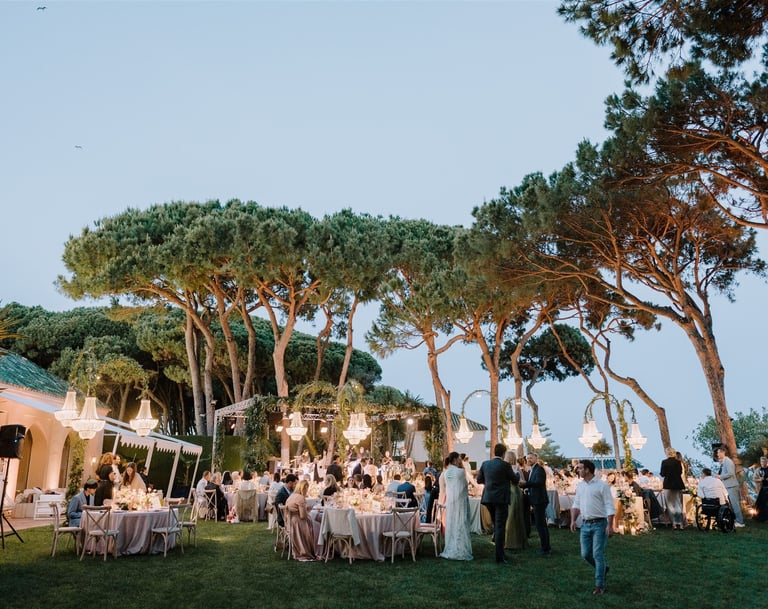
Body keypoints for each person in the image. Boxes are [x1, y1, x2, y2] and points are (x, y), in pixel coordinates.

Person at [570, 459, 615, 596]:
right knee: (585, 554)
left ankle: (599, 585)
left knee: (597, 554)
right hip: (585, 524)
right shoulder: (580, 486)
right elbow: (576, 504)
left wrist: (610, 525)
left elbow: (609, 506)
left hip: (599, 524)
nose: (578, 470)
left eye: (580, 468)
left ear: (588, 469)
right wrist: (573, 520)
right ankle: (602, 569)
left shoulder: (602, 486)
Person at [477, 442, 519, 564]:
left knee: (497, 525)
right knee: (500, 526)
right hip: (501, 499)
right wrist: (516, 472)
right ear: (503, 453)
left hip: (488, 498)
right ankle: (499, 556)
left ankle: (499, 550)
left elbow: (479, 480)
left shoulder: (485, 464)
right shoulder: (505, 465)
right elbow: (515, 480)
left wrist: (490, 481)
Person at [439, 451, 473, 560]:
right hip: (460, 502)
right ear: (455, 460)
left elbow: (444, 490)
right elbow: (464, 487)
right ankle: (461, 548)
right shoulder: (461, 472)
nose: (460, 460)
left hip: (450, 503)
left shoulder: (445, 473)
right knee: (461, 524)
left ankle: (451, 547)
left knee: (451, 525)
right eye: (458, 458)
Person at [521, 452, 551, 555]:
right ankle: (545, 547)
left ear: (536, 459)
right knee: (540, 524)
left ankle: (545, 548)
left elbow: (538, 483)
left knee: (541, 524)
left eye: (531, 458)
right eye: (528, 458)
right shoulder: (532, 469)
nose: (529, 460)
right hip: (536, 499)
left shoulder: (539, 469)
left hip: (540, 500)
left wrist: (525, 484)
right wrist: (527, 489)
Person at [284, 479, 318, 561]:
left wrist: (306, 509)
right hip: (297, 523)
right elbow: (302, 516)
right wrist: (308, 512)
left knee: (315, 523)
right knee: (318, 526)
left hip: (289, 522)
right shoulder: (301, 498)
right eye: (306, 488)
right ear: (304, 488)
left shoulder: (291, 496)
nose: (307, 491)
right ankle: (317, 550)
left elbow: (296, 510)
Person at [503, 450, 527, 551]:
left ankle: (510, 541)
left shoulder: (512, 467)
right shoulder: (512, 467)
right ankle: (514, 540)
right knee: (513, 515)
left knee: (511, 515)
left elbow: (522, 481)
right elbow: (522, 482)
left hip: (511, 492)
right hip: (514, 491)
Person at [716, 447, 745, 527]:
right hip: (727, 486)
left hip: (732, 486)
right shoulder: (723, 462)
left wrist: (720, 477)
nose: (717, 454)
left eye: (718, 452)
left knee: (735, 504)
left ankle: (740, 522)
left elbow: (731, 473)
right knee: (731, 504)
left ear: (723, 452)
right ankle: (735, 519)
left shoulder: (728, 461)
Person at [660, 446, 686, 529]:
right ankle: (680, 523)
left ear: (667, 453)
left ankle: (674, 523)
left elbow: (662, 473)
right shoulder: (678, 462)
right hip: (677, 483)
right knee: (678, 503)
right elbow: (680, 472)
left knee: (670, 504)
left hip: (668, 484)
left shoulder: (664, 462)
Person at [753, 456, 768, 521]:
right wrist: (760, 479)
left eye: (764, 461)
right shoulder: (758, 470)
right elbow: (754, 479)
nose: (763, 463)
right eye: (762, 461)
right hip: (762, 489)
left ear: (767, 462)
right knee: (761, 504)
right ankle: (762, 517)